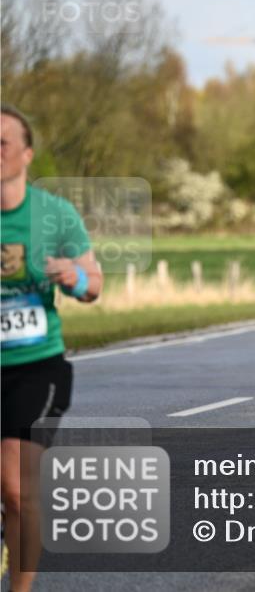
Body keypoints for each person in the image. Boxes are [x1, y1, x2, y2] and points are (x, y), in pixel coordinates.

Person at [2, 105, 104, 592]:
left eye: (3, 143)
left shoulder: (54, 215)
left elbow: (94, 285)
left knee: (17, 491)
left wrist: (74, 275)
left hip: (33, 366)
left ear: (27, 154)